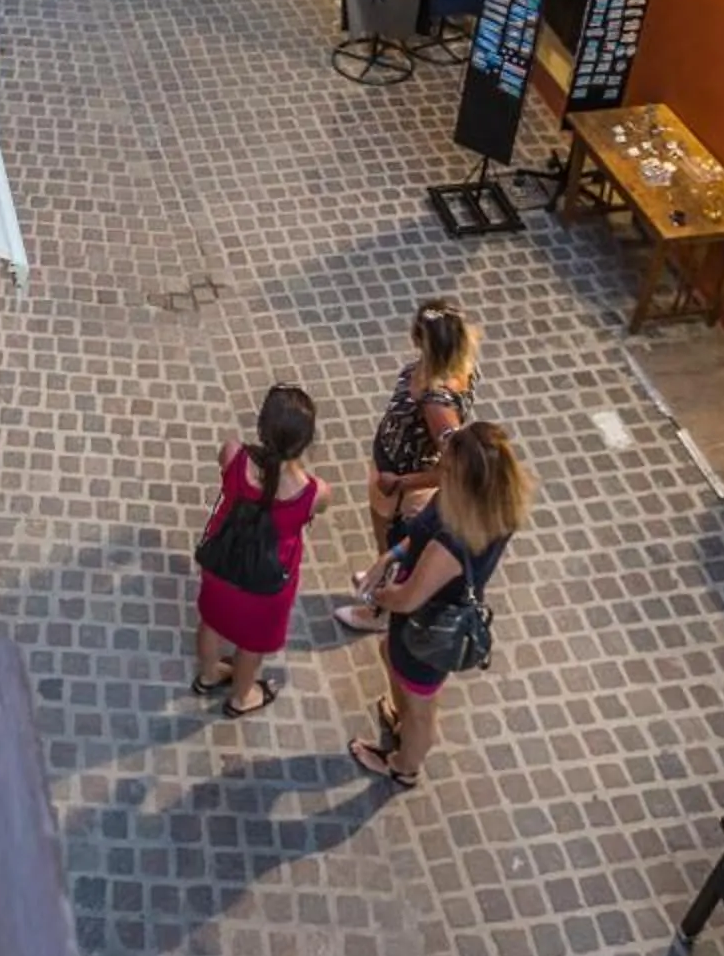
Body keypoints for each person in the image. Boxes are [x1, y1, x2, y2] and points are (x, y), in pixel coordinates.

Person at [348, 420, 530, 788]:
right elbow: (418, 536)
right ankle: (402, 722)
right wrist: (389, 557)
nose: (440, 466)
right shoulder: (495, 505)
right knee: (390, 657)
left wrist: (376, 595)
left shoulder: (452, 542)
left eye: (447, 466)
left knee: (421, 708)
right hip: (421, 618)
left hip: (425, 627)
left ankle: (404, 765)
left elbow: (407, 598)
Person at [337, 298, 478, 631]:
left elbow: (452, 466)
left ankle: (378, 611)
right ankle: (380, 577)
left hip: (401, 483)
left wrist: (401, 483)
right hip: (393, 470)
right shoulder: (455, 365)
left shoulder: (436, 401)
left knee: (393, 545)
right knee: (388, 544)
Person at [191, 383, 324, 717]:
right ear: (306, 441)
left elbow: (229, 476)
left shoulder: (233, 454)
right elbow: (311, 511)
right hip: (268, 582)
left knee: (210, 622)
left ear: (261, 425)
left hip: (222, 560)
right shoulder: (314, 492)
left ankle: (208, 675)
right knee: (251, 644)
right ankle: (242, 697)